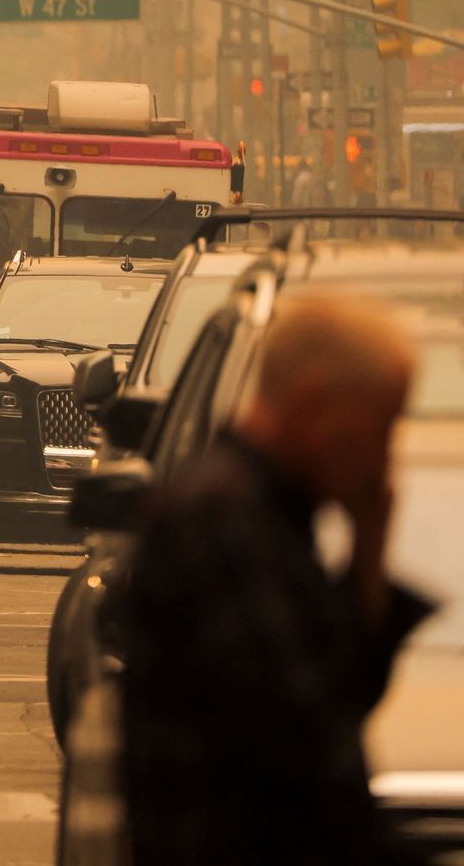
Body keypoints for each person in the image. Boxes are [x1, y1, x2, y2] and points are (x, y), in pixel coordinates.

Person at [115, 297, 431, 864]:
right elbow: (308, 733)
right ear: (313, 402)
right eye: (376, 426)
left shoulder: (266, 513)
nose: (383, 458)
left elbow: (337, 693)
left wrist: (369, 541)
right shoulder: (225, 519)